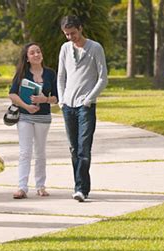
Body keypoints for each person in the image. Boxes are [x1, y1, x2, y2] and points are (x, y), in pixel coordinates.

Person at [57, 15, 108, 202]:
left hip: (86, 106)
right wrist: (61, 100)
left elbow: (103, 78)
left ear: (80, 28)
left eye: (73, 33)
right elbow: (61, 76)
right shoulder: (65, 49)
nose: (70, 37)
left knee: (83, 149)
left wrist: (89, 99)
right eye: (67, 34)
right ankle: (79, 185)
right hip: (68, 106)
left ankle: (81, 189)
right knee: (73, 148)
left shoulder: (95, 48)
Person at [8, 42, 58, 199]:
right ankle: (22, 187)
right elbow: (12, 94)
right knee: (24, 152)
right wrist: (26, 106)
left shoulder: (50, 74)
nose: (36, 54)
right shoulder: (22, 73)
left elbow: (57, 98)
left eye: (38, 51)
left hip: (43, 118)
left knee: (40, 152)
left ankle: (41, 186)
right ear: (27, 58)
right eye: (32, 53)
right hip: (24, 116)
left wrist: (44, 99)